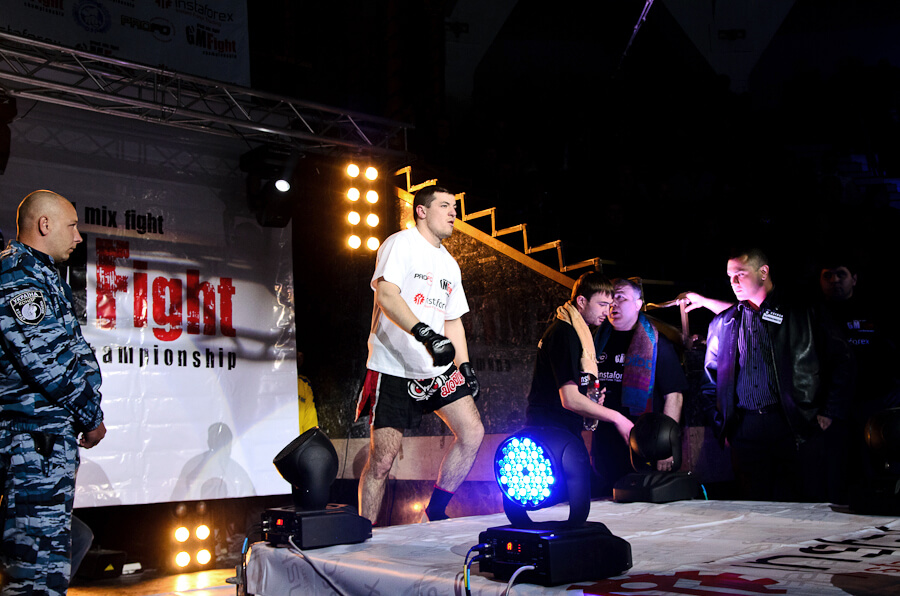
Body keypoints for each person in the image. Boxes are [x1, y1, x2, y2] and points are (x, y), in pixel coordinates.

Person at [355, 186, 483, 524]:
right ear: (422, 211)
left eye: (455, 207)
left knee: (472, 433)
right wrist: (425, 333)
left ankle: (435, 511)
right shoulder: (400, 243)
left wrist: (465, 367)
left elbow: (452, 321)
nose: (453, 213)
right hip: (393, 365)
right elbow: (387, 295)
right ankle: (365, 533)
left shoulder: (449, 263)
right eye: (445, 206)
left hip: (436, 368)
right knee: (382, 461)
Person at [0, 190, 106, 595]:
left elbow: (73, 352)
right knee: (35, 571)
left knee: (52, 561)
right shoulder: (19, 276)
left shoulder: (43, 276)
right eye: (72, 226)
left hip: (44, 441)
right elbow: (48, 364)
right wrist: (91, 417)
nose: (78, 237)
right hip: (32, 441)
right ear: (44, 225)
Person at [699, 248, 846, 501]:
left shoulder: (802, 312)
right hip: (745, 427)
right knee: (753, 506)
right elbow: (709, 381)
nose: (734, 282)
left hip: (793, 423)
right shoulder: (723, 323)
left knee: (802, 503)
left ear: (763, 272)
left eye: (740, 274)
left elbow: (841, 359)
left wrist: (829, 411)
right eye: (730, 276)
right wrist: (722, 424)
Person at [591, 278, 686, 494]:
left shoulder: (656, 343)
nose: (614, 304)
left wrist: (666, 445)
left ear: (638, 304)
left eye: (621, 298)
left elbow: (674, 395)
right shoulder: (596, 340)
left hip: (645, 443)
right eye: (610, 298)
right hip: (605, 444)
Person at [525, 272, 630, 445]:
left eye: (609, 305)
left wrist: (588, 397)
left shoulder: (575, 331)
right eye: (602, 304)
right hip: (551, 431)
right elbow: (570, 399)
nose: (607, 311)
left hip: (560, 430)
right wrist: (618, 419)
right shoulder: (565, 333)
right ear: (581, 301)